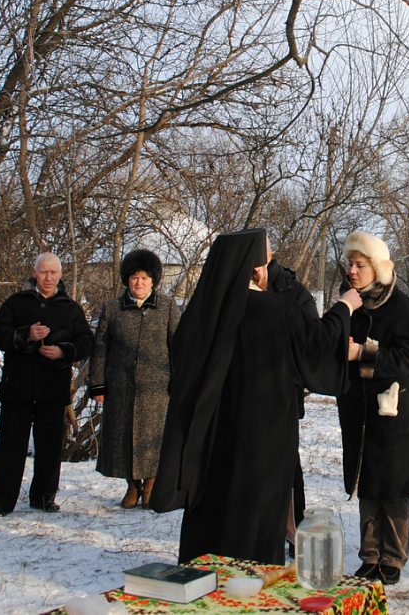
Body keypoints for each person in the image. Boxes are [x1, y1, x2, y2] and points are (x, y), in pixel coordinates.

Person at [149, 227, 362, 565]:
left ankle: (203, 570)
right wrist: (344, 307)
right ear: (257, 267)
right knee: (255, 515)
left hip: (212, 435)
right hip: (264, 437)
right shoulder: (276, 310)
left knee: (214, 508)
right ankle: (252, 580)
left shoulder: (203, 314)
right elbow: (316, 347)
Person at [338, 231, 409, 586]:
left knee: (393, 483)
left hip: (393, 407)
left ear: (376, 268)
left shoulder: (400, 305)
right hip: (358, 408)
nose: (353, 271)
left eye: (360, 265)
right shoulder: (350, 303)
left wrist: (363, 353)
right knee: (367, 481)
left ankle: (393, 556)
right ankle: (370, 554)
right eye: (350, 265)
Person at [0, 252, 93, 516]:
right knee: (11, 446)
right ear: (34, 273)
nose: (48, 277)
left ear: (60, 275)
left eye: (53, 273)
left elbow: (86, 343)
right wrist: (26, 335)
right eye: (43, 272)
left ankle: (44, 497)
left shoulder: (70, 308)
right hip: (18, 386)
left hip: (52, 388)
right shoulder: (16, 303)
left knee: (49, 446)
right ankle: (0, 501)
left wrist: (63, 352)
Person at [88, 248, 180, 508]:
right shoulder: (112, 308)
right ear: (127, 280)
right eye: (134, 277)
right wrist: (97, 383)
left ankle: (150, 485)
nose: (139, 283)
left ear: (153, 280)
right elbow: (100, 348)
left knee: (153, 439)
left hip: (156, 388)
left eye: (144, 278)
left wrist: (178, 380)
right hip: (121, 387)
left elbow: (178, 345)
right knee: (123, 438)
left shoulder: (167, 307)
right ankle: (132, 485)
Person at [267, 254, 320, 553]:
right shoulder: (237, 286)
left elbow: (311, 340)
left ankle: (291, 530)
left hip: (283, 391)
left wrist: (297, 379)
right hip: (246, 396)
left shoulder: (292, 291)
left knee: (287, 464)